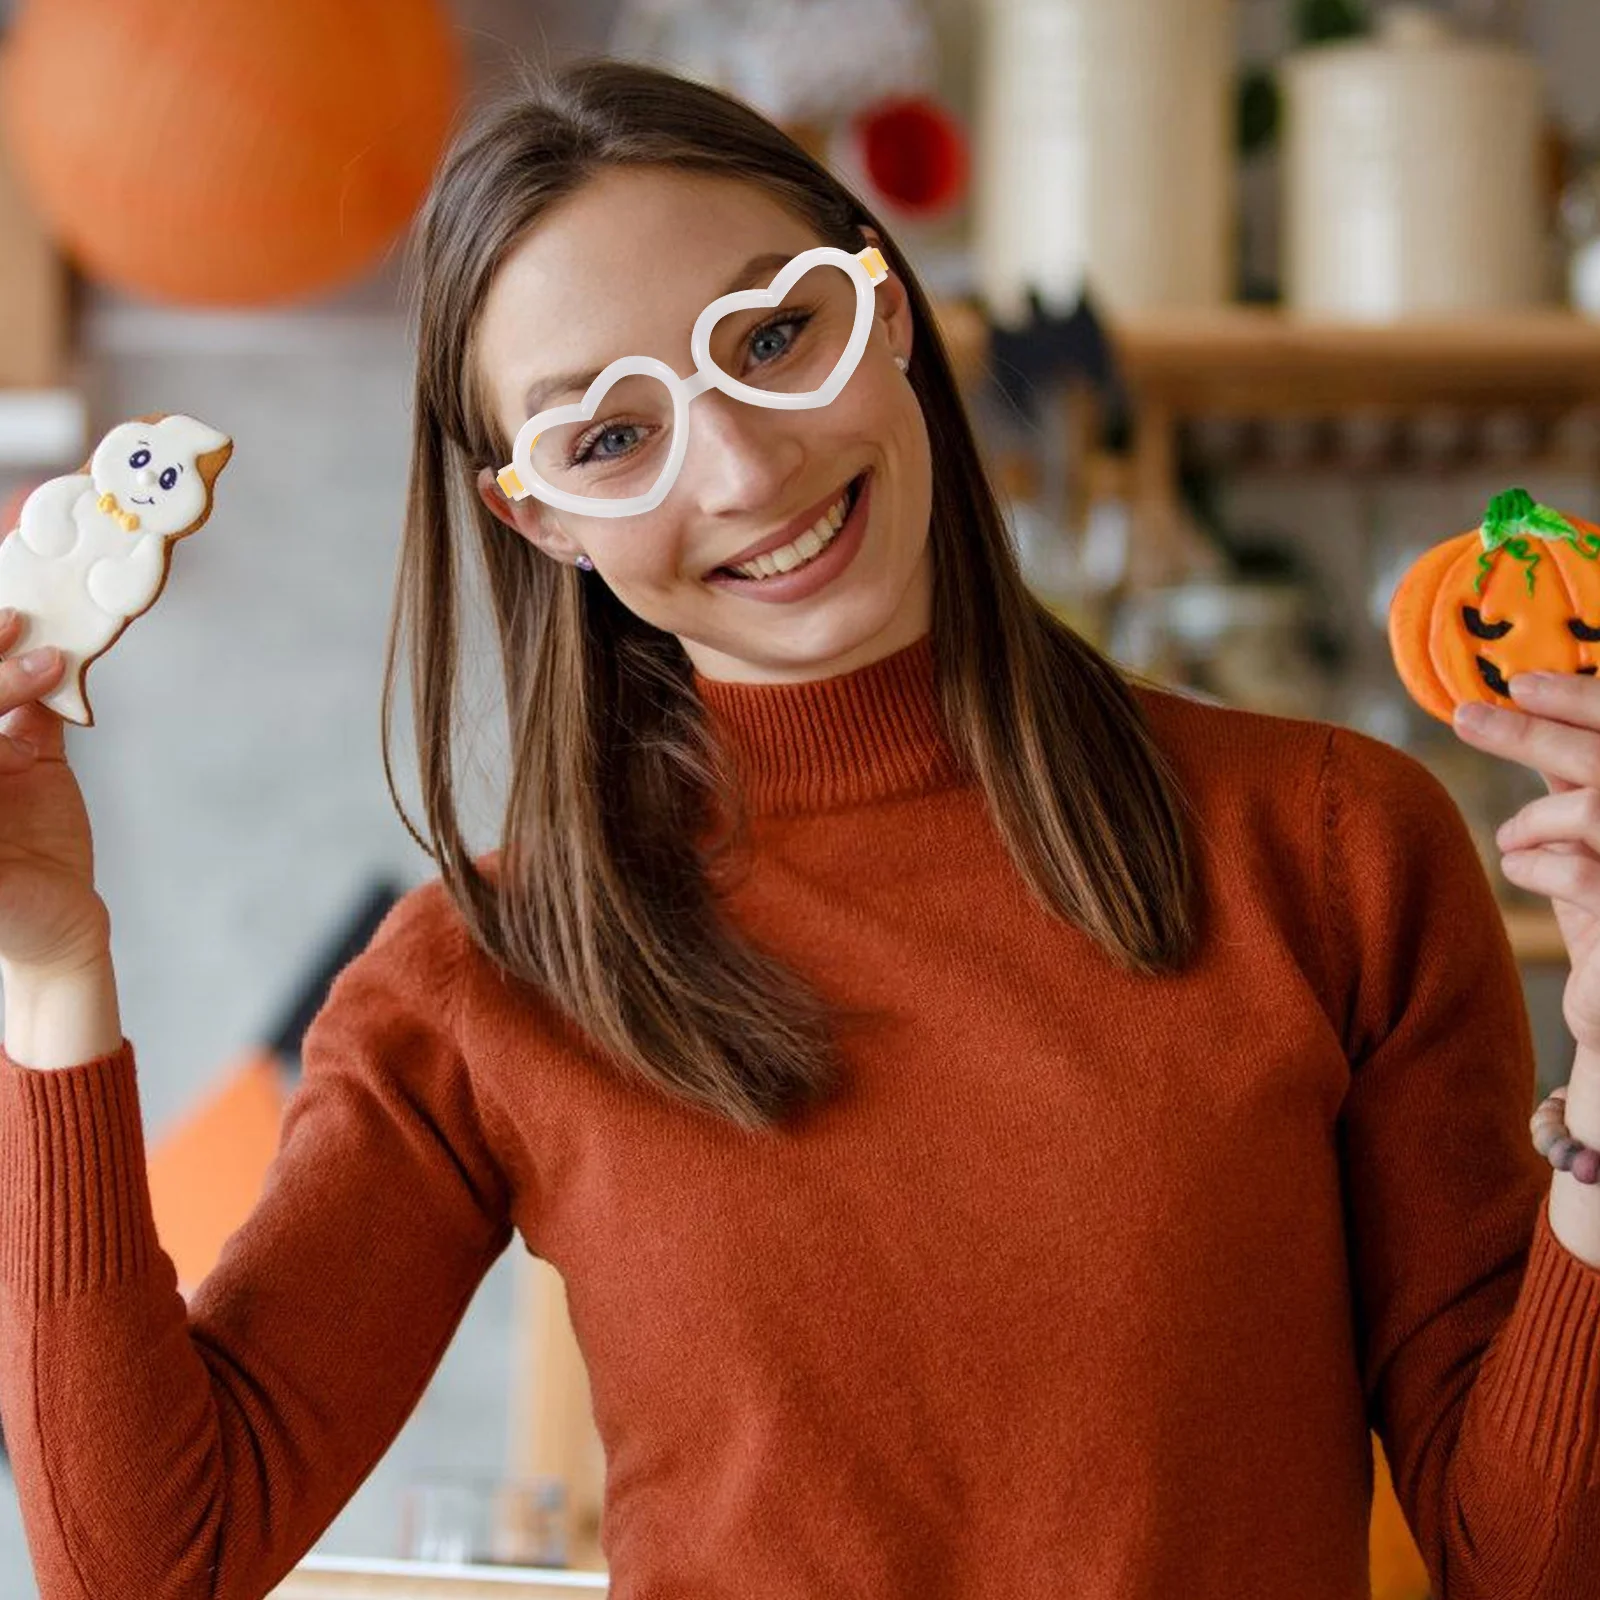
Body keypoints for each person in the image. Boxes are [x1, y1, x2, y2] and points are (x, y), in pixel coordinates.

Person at [0, 54, 1596, 1600]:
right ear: (534, 513)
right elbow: (150, 1563)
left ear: (882, 304)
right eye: (611, 435)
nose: (748, 465)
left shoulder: (1331, 847)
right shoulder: (489, 979)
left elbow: (1528, 1567)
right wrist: (53, 971)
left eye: (772, 336)